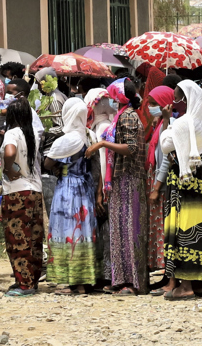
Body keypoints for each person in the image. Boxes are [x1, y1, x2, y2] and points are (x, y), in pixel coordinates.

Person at [157, 80, 202, 299]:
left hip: (184, 180)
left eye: (177, 97)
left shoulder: (181, 123)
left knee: (184, 229)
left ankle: (185, 286)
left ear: (185, 100)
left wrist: (168, 124)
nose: (175, 102)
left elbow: (166, 144)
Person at [88, 81, 149, 295]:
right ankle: (121, 279)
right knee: (120, 229)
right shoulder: (122, 115)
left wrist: (103, 144)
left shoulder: (129, 116)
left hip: (129, 178)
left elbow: (131, 148)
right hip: (121, 177)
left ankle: (131, 282)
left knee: (129, 230)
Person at [45, 96, 100, 294]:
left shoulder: (66, 139)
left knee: (69, 230)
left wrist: (60, 167)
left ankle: (72, 281)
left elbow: (48, 164)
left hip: (68, 188)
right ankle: (84, 280)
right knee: (83, 231)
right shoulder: (89, 135)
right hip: (85, 187)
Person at [0, 97, 44, 296]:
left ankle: (24, 283)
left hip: (17, 191)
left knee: (18, 238)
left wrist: (9, 168)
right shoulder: (32, 133)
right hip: (35, 190)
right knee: (33, 237)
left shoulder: (12, 133)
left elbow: (9, 153)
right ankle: (31, 280)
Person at [146, 86, 176, 281]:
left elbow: (166, 157)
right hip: (157, 180)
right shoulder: (159, 124)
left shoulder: (170, 124)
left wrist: (156, 187)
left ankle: (168, 272)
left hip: (163, 183)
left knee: (165, 228)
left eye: (154, 103)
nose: (150, 107)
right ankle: (165, 273)